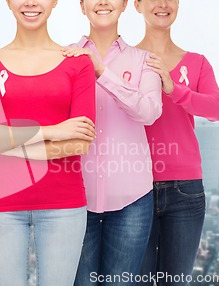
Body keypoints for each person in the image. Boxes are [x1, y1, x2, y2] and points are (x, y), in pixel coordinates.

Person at [0, 0, 97, 285]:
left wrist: (1, 137)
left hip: (63, 204)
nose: (31, 2)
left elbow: (79, 143)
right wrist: (52, 131)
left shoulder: (78, 63)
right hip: (0, 205)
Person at [61, 0, 162, 284]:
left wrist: (101, 72)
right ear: (82, 6)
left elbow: (150, 111)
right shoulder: (62, 57)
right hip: (75, 198)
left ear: (125, 5)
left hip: (132, 200)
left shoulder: (144, 60)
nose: (103, 2)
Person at [133, 0, 219, 285]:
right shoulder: (125, 59)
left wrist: (175, 89)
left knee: (176, 281)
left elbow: (216, 109)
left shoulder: (197, 62)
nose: (162, 4)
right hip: (134, 188)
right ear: (136, 5)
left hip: (185, 191)